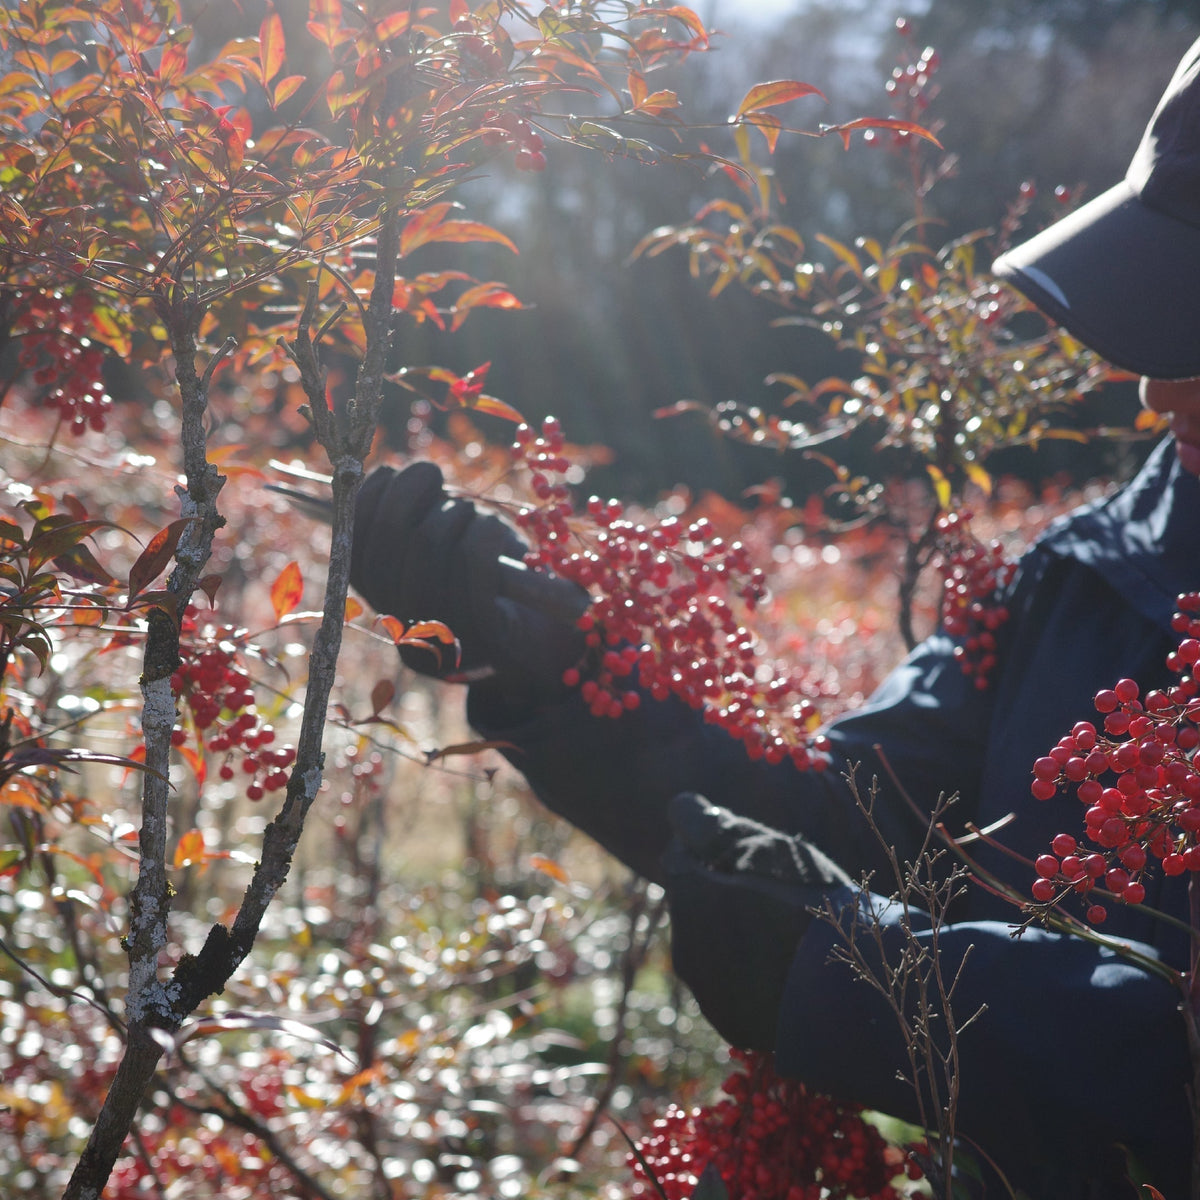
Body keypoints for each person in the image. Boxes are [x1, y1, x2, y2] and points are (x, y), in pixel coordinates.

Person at [349, 37, 1200, 1199]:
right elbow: (849, 818)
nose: (1158, 389)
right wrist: (556, 674)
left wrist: (867, 983)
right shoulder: (1083, 576)